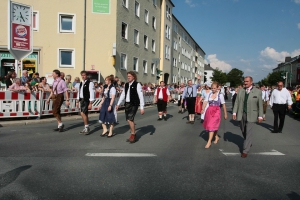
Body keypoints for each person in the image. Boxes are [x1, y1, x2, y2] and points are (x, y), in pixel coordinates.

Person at [233, 76, 263, 158]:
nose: (245, 83)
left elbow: (260, 105)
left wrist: (260, 116)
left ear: (251, 82)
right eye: (244, 81)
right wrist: (234, 112)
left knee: (248, 131)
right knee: (243, 129)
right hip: (242, 114)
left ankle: (245, 150)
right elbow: (237, 102)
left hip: (252, 115)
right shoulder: (241, 91)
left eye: (247, 81)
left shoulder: (258, 92)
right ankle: (248, 142)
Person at [116, 71, 145, 143]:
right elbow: (123, 94)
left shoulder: (137, 84)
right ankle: (133, 133)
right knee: (128, 120)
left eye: (130, 76)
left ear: (133, 77)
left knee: (130, 119)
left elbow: (141, 96)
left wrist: (142, 107)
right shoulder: (126, 85)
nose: (128, 77)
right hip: (127, 104)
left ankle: (133, 135)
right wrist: (118, 104)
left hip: (134, 104)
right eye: (128, 76)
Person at [202, 82, 227, 148]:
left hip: (216, 111)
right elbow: (205, 101)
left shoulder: (220, 95)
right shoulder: (209, 94)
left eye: (214, 88)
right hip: (209, 111)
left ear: (217, 88)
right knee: (211, 126)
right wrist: (203, 109)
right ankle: (216, 137)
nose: (213, 89)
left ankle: (209, 141)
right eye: (212, 88)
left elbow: (223, 104)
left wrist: (225, 113)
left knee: (211, 125)